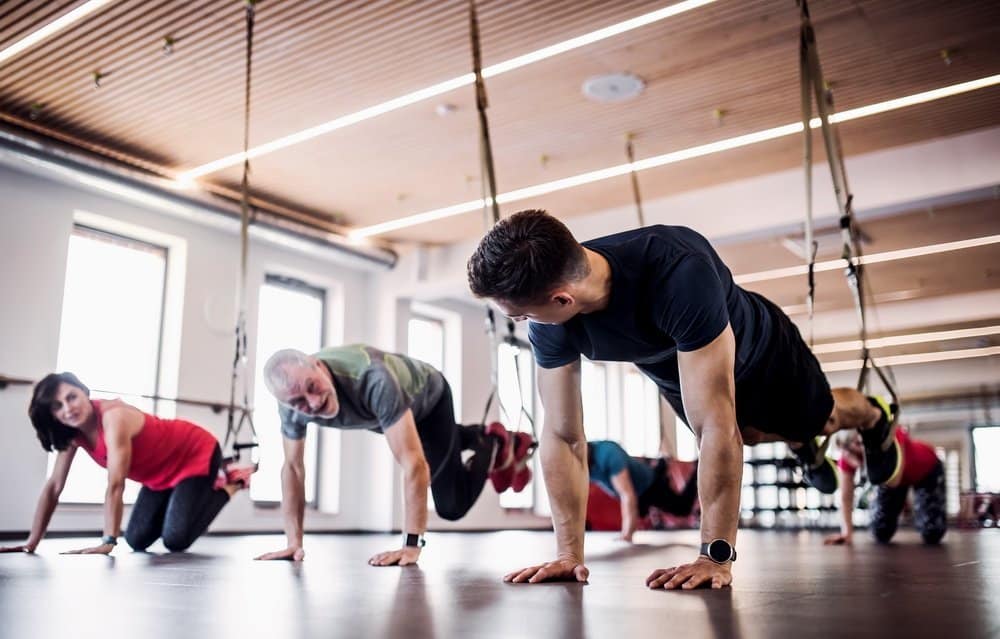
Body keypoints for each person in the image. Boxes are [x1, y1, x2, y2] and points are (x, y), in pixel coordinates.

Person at [467, 209, 900, 590]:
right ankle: (800, 442)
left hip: (764, 353)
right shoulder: (552, 322)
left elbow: (716, 426)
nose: (526, 324)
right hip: (675, 368)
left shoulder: (676, 270)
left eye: (521, 315)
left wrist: (715, 555)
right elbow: (562, 436)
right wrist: (567, 554)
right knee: (745, 435)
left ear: (563, 298)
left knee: (817, 419)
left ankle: (870, 417)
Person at [255, 344, 534, 566]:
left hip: (430, 398)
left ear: (317, 364)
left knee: (451, 506)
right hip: (387, 413)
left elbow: (413, 463)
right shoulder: (291, 408)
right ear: (285, 404)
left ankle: (489, 442)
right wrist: (294, 543)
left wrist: (411, 545)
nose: (313, 403)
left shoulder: (372, 379)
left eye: (312, 388)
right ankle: (474, 435)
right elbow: (292, 468)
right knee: (429, 442)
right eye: (299, 402)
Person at [0, 372, 249, 555]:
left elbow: (116, 483)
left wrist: (108, 540)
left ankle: (230, 483)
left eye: (71, 397)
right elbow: (54, 486)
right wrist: (32, 541)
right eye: (58, 406)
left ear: (84, 392)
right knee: (137, 540)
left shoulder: (113, 418)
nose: (68, 409)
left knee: (176, 540)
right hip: (158, 476)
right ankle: (181, 496)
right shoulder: (72, 434)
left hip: (195, 451)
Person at [825, 416, 946, 546]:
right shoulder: (847, 458)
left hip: (927, 468)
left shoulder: (891, 435)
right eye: (850, 446)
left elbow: (895, 478)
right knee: (880, 532)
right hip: (894, 480)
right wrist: (846, 533)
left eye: (859, 443)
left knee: (933, 533)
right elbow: (845, 497)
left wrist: (867, 465)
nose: (857, 449)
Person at [587, 440, 699, 541]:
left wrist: (627, 535)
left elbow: (627, 495)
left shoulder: (608, 453)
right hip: (638, 494)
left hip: (650, 486)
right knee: (640, 512)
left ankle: (697, 470)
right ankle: (661, 467)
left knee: (683, 509)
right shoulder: (580, 463)